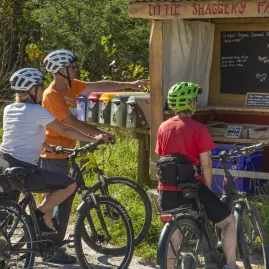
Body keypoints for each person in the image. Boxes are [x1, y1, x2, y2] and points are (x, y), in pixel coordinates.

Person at [39, 49, 149, 264]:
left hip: (67, 152)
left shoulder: (71, 86)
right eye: (71, 67)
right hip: (52, 153)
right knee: (51, 202)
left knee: (65, 198)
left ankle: (51, 243)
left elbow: (100, 84)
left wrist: (130, 85)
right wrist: (97, 135)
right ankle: (48, 248)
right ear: (61, 70)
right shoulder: (51, 95)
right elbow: (70, 123)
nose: (75, 69)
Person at [0, 68, 103, 236]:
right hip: (24, 171)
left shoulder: (9, 109)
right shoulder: (37, 111)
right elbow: (65, 129)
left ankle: (4, 257)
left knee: (3, 218)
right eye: (40, 86)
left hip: (3, 167)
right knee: (70, 184)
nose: (42, 89)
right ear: (32, 90)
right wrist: (94, 138)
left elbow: (20, 135)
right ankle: (38, 217)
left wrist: (46, 146)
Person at [156, 82, 238, 269]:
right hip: (192, 189)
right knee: (229, 222)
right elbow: (206, 164)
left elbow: (163, 158)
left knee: (173, 236)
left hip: (166, 191)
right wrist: (208, 189)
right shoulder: (198, 128)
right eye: (194, 99)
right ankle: (231, 265)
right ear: (191, 103)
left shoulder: (163, 127)